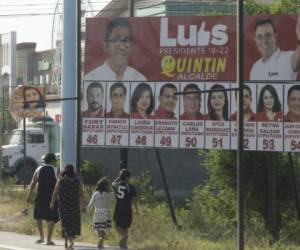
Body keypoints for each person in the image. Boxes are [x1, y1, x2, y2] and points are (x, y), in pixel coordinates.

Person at [85, 17, 146, 81]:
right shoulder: (91, 79)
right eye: (116, 40)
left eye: (126, 40)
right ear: (105, 46)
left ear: (131, 47)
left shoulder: (140, 80)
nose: (122, 47)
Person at [250, 15, 300, 80]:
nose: (264, 41)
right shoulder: (255, 68)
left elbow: (297, 60)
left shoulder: (287, 58)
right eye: (259, 37)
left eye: (268, 35)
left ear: (275, 37)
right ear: (255, 40)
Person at [26, 153, 59, 245]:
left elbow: (33, 183)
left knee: (38, 216)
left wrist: (29, 195)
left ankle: (41, 237)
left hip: (40, 196)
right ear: (52, 161)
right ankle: (48, 240)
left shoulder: (38, 169)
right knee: (51, 217)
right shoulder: (55, 169)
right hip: (51, 197)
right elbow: (59, 183)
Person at [50, 164, 84, 250]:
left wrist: (52, 202)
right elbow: (81, 194)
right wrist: (82, 204)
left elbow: (55, 192)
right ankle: (70, 240)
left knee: (65, 223)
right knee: (72, 223)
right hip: (74, 205)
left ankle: (68, 241)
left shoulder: (61, 180)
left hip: (63, 205)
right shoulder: (77, 181)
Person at [112, 169, 138, 249]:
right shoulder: (130, 186)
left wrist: (119, 177)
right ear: (127, 177)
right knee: (125, 226)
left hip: (119, 208)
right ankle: (125, 240)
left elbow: (112, 183)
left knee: (117, 226)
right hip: (128, 208)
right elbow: (134, 200)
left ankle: (124, 239)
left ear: (120, 177)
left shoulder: (117, 184)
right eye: (129, 177)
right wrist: (136, 209)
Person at [87, 177, 115, 249]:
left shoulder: (95, 194)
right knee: (104, 228)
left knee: (99, 228)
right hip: (106, 213)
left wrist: (87, 210)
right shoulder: (109, 194)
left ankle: (100, 239)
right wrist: (110, 189)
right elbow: (114, 199)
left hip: (98, 213)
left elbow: (91, 204)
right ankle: (101, 241)